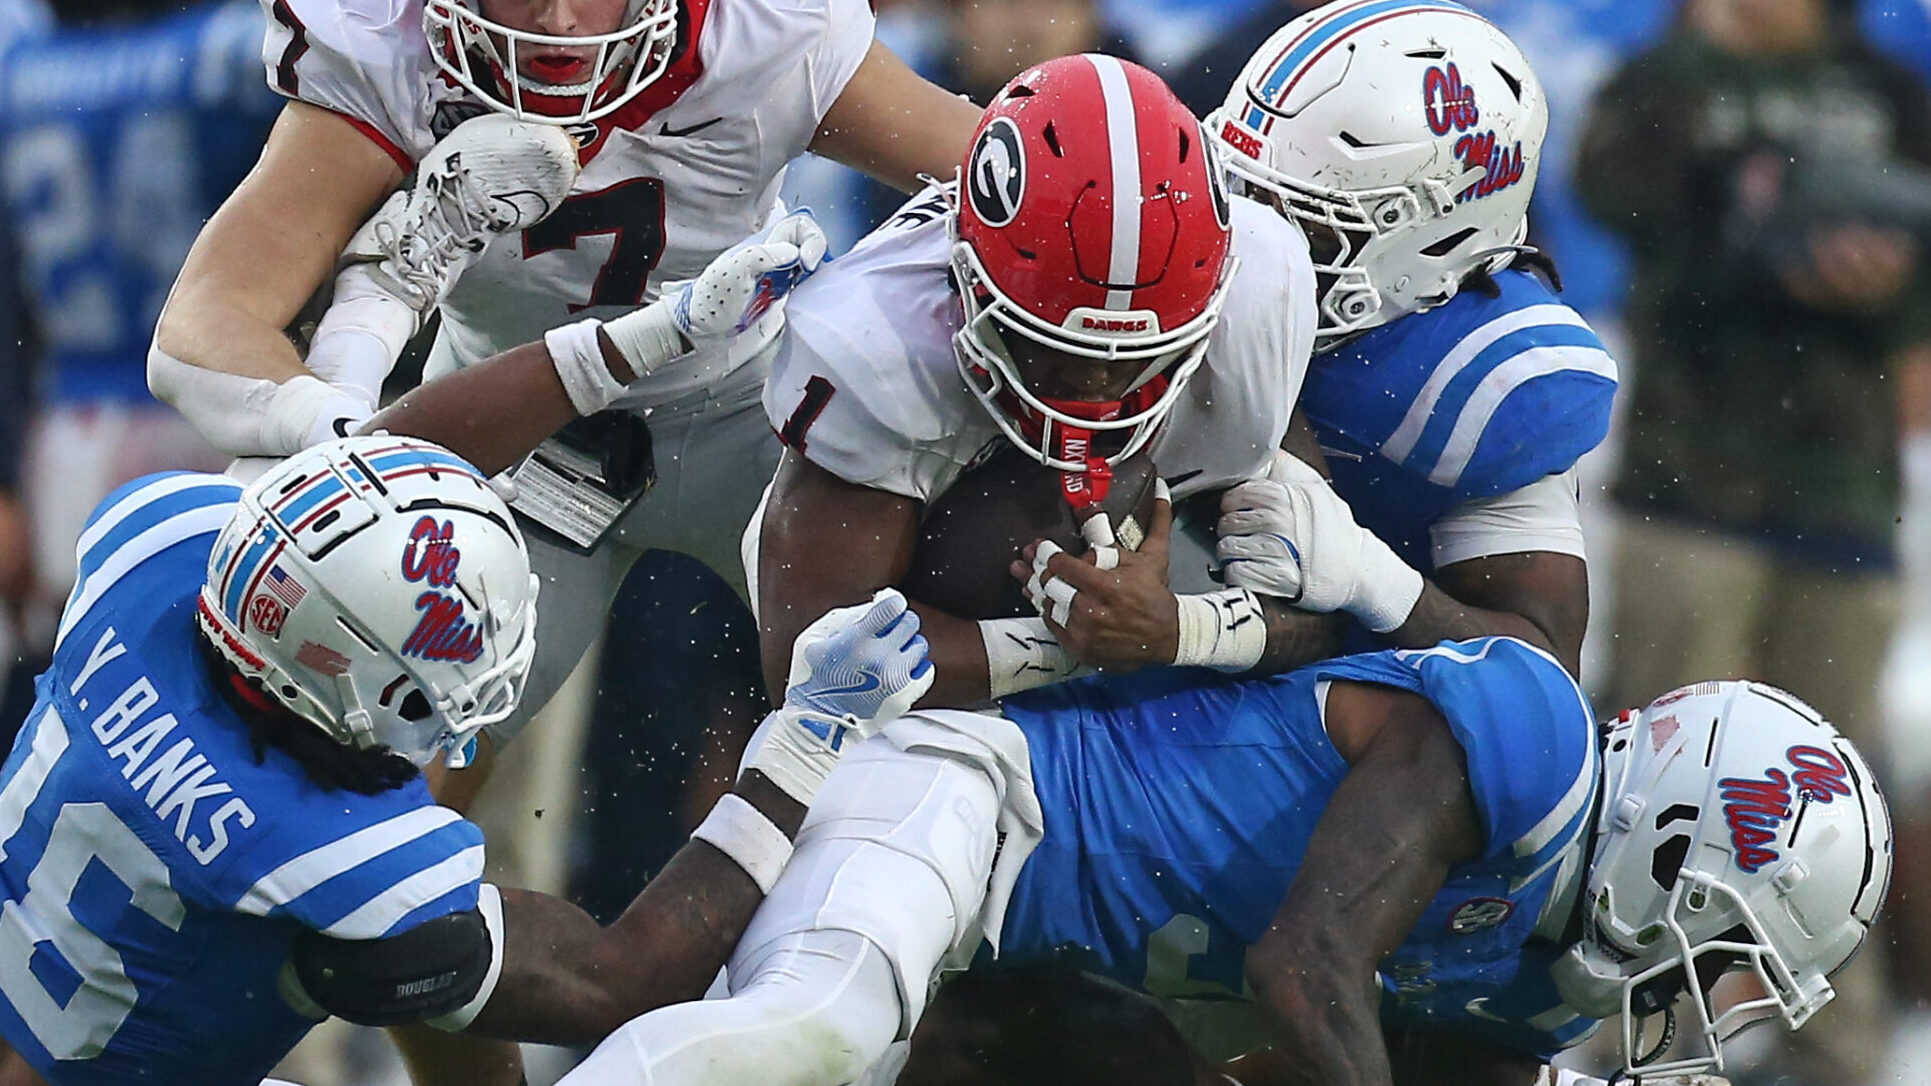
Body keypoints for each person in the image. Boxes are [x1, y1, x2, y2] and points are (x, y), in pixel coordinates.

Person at [145, 0, 984, 753]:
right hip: (506, 437)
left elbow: (1007, 191)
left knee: (902, 714)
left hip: (751, 415)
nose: (555, 19)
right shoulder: (392, 44)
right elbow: (203, 328)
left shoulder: (762, 32)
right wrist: (354, 444)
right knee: (356, 732)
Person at [0, 434, 935, 1086]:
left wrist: (601, 368)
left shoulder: (154, 547)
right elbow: (623, 978)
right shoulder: (342, 876)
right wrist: (803, 742)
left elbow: (336, 487)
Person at [552, 637, 1892, 1086]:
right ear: (1673, 852)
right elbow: (1303, 969)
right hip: (980, 812)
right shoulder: (1527, 745)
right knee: (812, 1026)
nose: (1712, 1004)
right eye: (1724, 953)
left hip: (1043, 989)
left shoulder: (1547, 989)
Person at [1576, 2, 1931, 1081]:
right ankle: (1632, 1039)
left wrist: (1882, 282)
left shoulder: (1883, 90)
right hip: (1688, 487)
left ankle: (1836, 1050)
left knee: (1840, 797)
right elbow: (1607, 197)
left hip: (1842, 495)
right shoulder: (1662, 77)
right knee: (1655, 778)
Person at [750, 52, 1328, 709]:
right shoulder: (877, 345)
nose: (1095, 383)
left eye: (1134, 354)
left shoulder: (1260, 295)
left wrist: (1180, 633)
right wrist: (1074, 648)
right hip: (941, 708)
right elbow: (815, 670)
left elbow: (1332, 613)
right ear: (965, 277)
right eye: (1053, 345)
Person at [1184, 0, 1617, 680]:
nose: (1245, 241)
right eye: (1236, 192)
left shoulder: (1472, 373)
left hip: (1325, 717)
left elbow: (1535, 683)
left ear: (1432, 238)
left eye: (1304, 222)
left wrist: (1374, 582)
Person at [0, 0, 277, 731]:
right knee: (246, 689)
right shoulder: (233, 51)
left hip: (75, 427)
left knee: (70, 693)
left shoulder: (21, 58)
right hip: (238, 402)